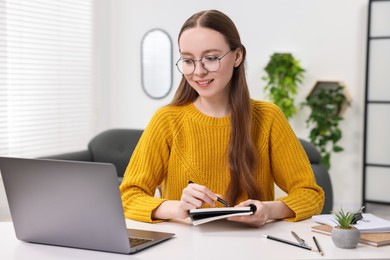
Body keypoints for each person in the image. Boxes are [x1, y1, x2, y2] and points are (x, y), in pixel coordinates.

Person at [120, 9, 324, 227]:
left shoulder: (268, 118)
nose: (198, 71)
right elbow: (128, 196)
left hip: (254, 248)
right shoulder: (167, 120)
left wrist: (268, 210)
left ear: (237, 56)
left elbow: (310, 194)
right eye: (188, 60)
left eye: (210, 58)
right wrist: (177, 208)